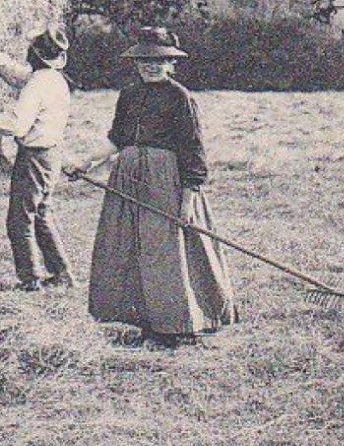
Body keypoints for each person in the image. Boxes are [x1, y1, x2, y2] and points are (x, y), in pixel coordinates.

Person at [71, 27, 238, 344]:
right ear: (136, 62)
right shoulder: (129, 95)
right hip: (128, 178)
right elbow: (117, 139)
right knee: (128, 248)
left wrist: (187, 200)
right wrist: (86, 162)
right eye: (145, 59)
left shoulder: (180, 98)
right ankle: (142, 319)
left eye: (159, 60)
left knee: (163, 250)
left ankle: (178, 324)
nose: (151, 65)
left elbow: (193, 152)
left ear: (171, 63)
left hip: (165, 182)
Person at [0, 27, 75, 292]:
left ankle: (30, 279)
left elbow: (18, 125)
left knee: (20, 220)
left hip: (34, 157)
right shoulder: (52, 79)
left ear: (34, 54)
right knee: (40, 214)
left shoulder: (38, 83)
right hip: (50, 154)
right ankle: (62, 273)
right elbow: (18, 75)